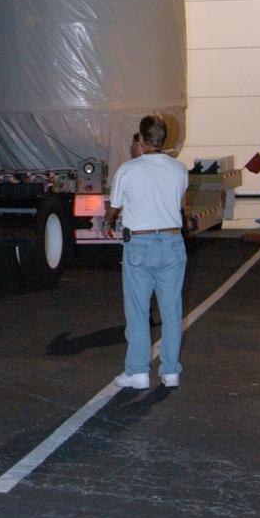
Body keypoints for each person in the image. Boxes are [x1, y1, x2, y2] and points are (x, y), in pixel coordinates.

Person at [104, 113, 188, 389]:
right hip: (172, 243)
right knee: (171, 310)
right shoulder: (179, 169)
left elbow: (115, 204)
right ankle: (170, 370)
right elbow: (179, 202)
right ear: (164, 139)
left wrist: (108, 221)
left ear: (140, 139)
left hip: (139, 245)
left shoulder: (128, 170)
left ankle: (138, 372)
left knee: (138, 310)